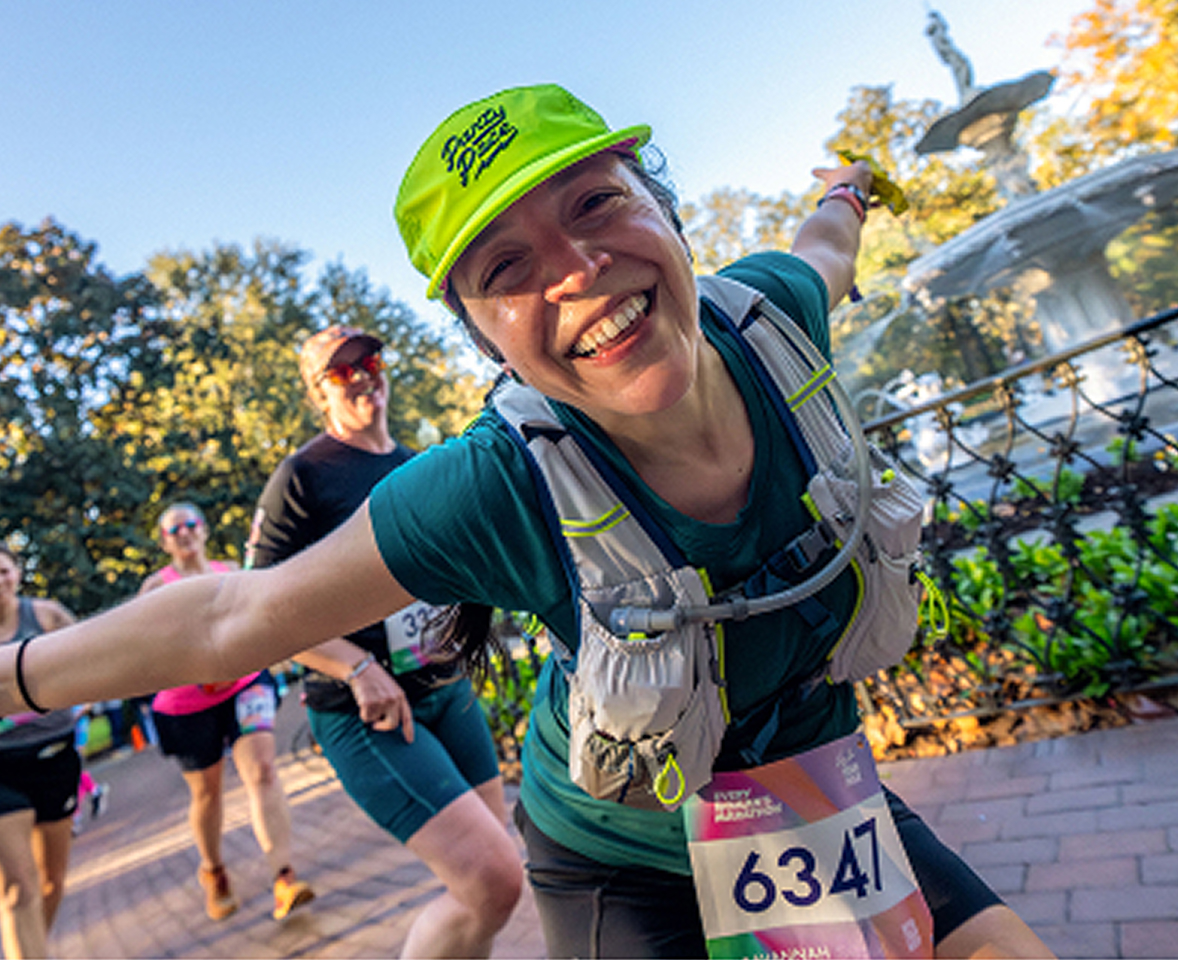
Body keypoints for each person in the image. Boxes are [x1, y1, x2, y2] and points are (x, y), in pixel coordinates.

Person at [1, 84, 1056, 959]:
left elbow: (824, 246)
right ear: (487, 341)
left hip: (808, 800)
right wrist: (12, 675)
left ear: (665, 212)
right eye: (507, 269)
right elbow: (234, 618)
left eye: (596, 203)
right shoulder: (495, 480)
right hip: (619, 861)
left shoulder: (773, 319)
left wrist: (845, 187)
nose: (576, 269)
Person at [243, 325, 522, 958]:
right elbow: (257, 605)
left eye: (369, 360)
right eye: (342, 372)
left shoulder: (412, 465)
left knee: (493, 872)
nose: (364, 375)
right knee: (492, 881)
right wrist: (355, 666)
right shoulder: (302, 477)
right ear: (319, 392)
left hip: (445, 692)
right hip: (365, 712)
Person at [140, 502, 314, 923]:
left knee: (263, 771)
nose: (184, 533)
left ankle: (284, 877)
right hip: (186, 702)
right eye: (174, 529)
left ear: (203, 530)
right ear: (165, 542)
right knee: (207, 793)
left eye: (191, 524)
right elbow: (148, 646)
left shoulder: (229, 570)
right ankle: (214, 871)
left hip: (243, 685)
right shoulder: (155, 587)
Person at [0, 544, 79, 959]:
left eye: (3, 570)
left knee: (52, 882)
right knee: (18, 887)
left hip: (54, 756)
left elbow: (88, 659)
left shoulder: (46, 615)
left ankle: (30, 948)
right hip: (1, 769)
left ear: (16, 572)